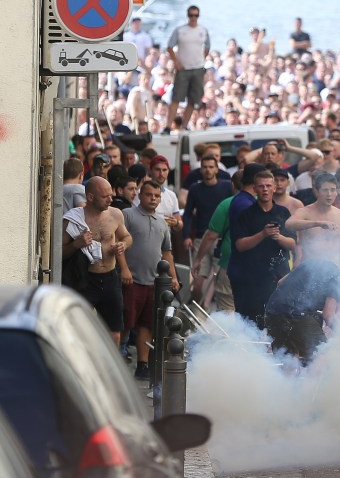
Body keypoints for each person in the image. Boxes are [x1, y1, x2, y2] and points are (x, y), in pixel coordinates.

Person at [62, 176, 134, 346]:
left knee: (114, 334)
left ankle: (111, 371)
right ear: (91, 197)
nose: (111, 199)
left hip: (110, 278)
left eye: (111, 194)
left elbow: (127, 237)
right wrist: (76, 244)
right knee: (78, 331)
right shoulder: (73, 220)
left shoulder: (115, 214)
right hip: (85, 279)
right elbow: (60, 254)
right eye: (105, 196)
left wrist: (123, 245)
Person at [121, 180, 179, 379]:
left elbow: (167, 252)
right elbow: (118, 242)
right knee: (126, 321)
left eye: (156, 196)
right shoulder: (128, 215)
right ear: (140, 195)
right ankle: (117, 356)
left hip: (154, 282)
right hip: (131, 280)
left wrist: (173, 277)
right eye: (148, 195)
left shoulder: (162, 223)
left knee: (147, 324)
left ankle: (142, 364)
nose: (153, 199)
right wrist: (124, 269)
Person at [231, 170, 296, 327]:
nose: (265, 189)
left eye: (268, 186)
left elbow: (293, 243)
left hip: (279, 276)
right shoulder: (246, 214)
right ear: (254, 188)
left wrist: (278, 237)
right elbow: (239, 245)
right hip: (252, 278)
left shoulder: (283, 212)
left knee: (280, 321)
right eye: (261, 186)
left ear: (274, 188)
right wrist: (263, 234)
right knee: (251, 322)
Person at [264, 259, 340, 366]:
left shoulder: (311, 263)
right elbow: (328, 314)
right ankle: (313, 383)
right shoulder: (339, 278)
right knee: (322, 355)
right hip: (296, 313)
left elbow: (280, 282)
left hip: (272, 311)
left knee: (288, 361)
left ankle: (283, 382)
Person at [183, 154, 233, 298]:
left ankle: (211, 313)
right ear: (200, 170)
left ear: (217, 169)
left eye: (211, 167)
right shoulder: (195, 188)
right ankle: (198, 311)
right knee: (197, 282)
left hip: (222, 239)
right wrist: (186, 236)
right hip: (200, 238)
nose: (207, 170)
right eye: (204, 167)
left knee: (220, 281)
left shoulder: (227, 186)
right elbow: (187, 213)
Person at [166, 5, 210, 131]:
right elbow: (169, 46)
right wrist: (176, 62)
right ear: (188, 16)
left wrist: (201, 59)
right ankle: (168, 126)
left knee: (193, 99)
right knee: (176, 98)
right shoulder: (180, 30)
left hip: (198, 68)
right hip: (183, 69)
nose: (193, 18)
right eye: (191, 15)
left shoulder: (203, 30)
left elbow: (207, 47)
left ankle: (185, 125)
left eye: (196, 15)